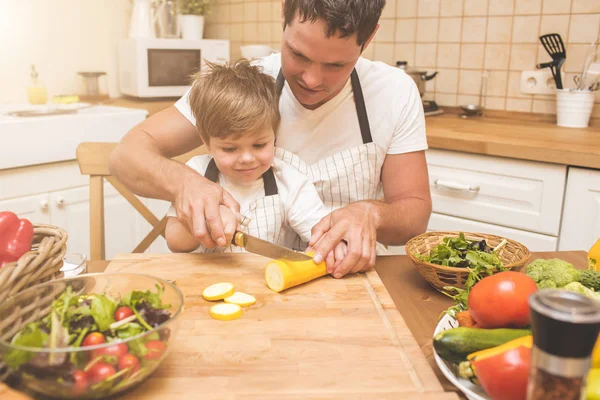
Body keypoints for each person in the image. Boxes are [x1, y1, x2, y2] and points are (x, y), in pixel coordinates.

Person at [109, 0, 432, 278]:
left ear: (370, 37)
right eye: (298, 54)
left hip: (342, 279)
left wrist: (371, 213)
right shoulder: (239, 88)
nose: (312, 79)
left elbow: (414, 215)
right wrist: (185, 184)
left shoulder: (393, 92)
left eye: (337, 65)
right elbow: (127, 155)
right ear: (284, 15)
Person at [164, 59, 343, 257]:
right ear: (207, 142)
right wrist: (206, 219)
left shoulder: (289, 180)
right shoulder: (196, 174)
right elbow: (174, 241)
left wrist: (333, 246)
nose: (247, 158)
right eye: (230, 149)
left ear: (274, 135)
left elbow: (320, 233)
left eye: (259, 145)